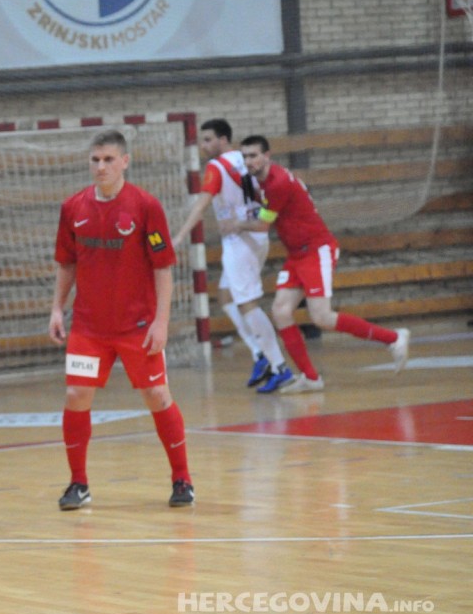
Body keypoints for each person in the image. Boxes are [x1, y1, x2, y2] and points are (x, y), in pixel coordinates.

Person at [49, 129, 194, 510]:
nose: (101, 166)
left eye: (109, 159)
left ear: (125, 161)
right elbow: (67, 263)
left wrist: (161, 322)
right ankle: (78, 484)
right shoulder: (73, 208)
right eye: (95, 160)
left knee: (157, 395)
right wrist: (56, 308)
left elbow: (163, 269)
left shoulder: (146, 206)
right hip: (88, 327)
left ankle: (182, 479)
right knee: (76, 395)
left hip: (138, 326)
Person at [219, 135, 409, 393]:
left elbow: (263, 224)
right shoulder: (260, 181)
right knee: (281, 311)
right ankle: (310, 377)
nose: (249, 161)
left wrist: (236, 224)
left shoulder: (276, 183)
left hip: (316, 249)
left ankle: (394, 338)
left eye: (254, 155)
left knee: (321, 317)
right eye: (245, 157)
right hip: (297, 254)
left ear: (267, 156)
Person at [171, 119, 293, 393]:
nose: (203, 146)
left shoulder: (216, 167)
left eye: (208, 140)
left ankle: (278, 366)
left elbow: (201, 204)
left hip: (240, 240)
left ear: (223, 140)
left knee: (248, 304)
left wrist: (180, 235)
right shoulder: (246, 159)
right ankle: (258, 352)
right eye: (202, 140)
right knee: (225, 295)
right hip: (255, 234)